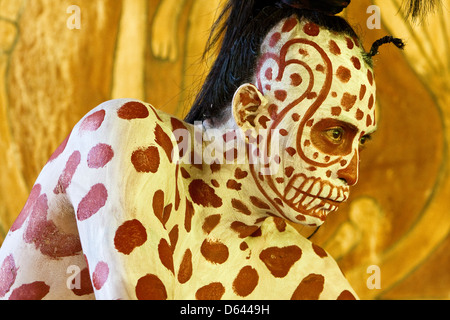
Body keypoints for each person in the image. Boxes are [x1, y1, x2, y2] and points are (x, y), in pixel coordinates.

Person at [0, 0, 437, 300]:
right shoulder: (128, 140)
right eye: (335, 135)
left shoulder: (302, 273)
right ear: (250, 111)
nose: (351, 173)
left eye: (361, 141)